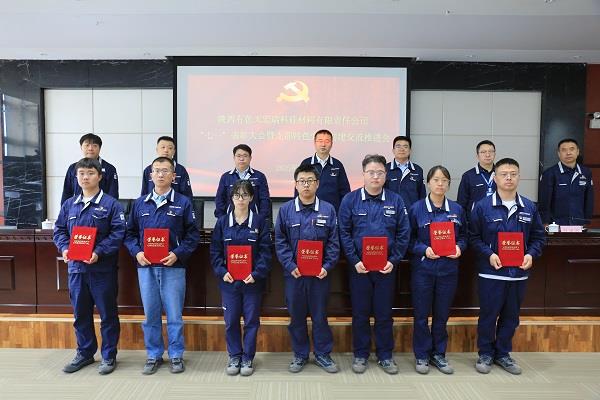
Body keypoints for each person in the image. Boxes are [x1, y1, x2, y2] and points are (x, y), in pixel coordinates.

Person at [469, 158, 545, 375]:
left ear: (519, 177)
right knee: (488, 315)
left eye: (513, 174)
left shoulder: (529, 206)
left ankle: (503, 353)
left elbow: (539, 237)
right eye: (504, 174)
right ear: (495, 178)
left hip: (518, 274)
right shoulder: (482, 206)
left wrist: (531, 254)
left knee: (511, 317)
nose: (509, 178)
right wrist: (489, 254)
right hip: (491, 273)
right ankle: (485, 353)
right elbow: (473, 237)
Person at [124, 157, 200, 375]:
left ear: (173, 176)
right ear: (150, 175)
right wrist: (137, 252)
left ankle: (176, 355)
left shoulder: (183, 203)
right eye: (156, 170)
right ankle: (154, 354)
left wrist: (177, 254)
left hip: (173, 267)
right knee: (151, 315)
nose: (160, 174)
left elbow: (193, 235)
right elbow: (129, 234)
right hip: (146, 267)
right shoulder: (139, 203)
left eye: (165, 170)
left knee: (174, 315)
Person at [338, 154, 410, 375]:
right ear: (363, 174)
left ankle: (385, 355)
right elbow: (344, 232)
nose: (375, 176)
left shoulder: (396, 200)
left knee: (384, 314)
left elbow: (404, 233)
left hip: (386, 269)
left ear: (385, 175)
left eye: (380, 172)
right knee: (360, 313)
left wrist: (393, 260)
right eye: (371, 172)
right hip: (359, 269)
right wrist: (354, 260)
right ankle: (360, 354)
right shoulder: (350, 200)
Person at [53, 157, 126, 375]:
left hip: (102, 270)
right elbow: (59, 231)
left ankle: (109, 355)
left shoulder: (111, 204)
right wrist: (64, 248)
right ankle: (85, 353)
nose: (85, 177)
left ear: (100, 177)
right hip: (77, 270)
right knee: (81, 314)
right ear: (76, 177)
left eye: (90, 173)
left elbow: (118, 233)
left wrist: (98, 252)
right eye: (82, 173)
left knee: (108, 315)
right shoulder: (69, 204)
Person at [275, 165, 340, 374]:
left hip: (320, 275)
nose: (306, 185)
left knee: (320, 316)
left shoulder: (328, 210)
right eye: (302, 181)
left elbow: (334, 242)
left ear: (317, 184)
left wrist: (327, 266)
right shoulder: (286, 210)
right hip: (294, 275)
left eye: (310, 181)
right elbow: (280, 242)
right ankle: (300, 354)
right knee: (297, 316)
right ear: (295, 184)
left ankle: (322, 354)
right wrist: (290, 265)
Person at [408, 166, 467, 375]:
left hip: (448, 271)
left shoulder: (457, 209)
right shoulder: (416, 209)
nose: (440, 183)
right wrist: (424, 249)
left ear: (449, 184)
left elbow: (464, 236)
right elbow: (408, 240)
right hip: (423, 270)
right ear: (428, 183)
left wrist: (459, 247)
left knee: (442, 315)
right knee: (421, 315)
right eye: (436, 179)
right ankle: (422, 355)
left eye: (444, 180)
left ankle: (439, 354)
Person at [210, 180, 272, 377]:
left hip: (252, 283)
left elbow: (266, 253)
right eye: (237, 195)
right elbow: (215, 252)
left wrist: (256, 274)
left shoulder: (259, 222)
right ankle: (234, 356)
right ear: (232, 198)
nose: (241, 199)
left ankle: (247, 358)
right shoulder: (222, 222)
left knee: (251, 321)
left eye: (245, 195)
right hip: (229, 283)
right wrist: (222, 272)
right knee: (231, 321)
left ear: (251, 197)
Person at [538, 138, 594, 226]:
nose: (568, 153)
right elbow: (544, 201)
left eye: (572, 149)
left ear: (577, 152)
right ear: (559, 154)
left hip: (578, 223)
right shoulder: (549, 173)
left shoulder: (586, 172)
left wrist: (586, 220)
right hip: (556, 224)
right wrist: (545, 222)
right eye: (564, 150)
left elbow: (589, 198)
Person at [215, 144, 271, 224]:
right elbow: (219, 199)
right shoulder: (226, 177)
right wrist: (222, 219)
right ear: (234, 158)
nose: (241, 159)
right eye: (238, 156)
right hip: (230, 221)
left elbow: (264, 200)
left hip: (254, 220)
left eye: (245, 156)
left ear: (250, 158)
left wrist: (260, 219)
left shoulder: (259, 176)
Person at [296, 129, 351, 210]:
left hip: (332, 212)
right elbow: (298, 188)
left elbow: (345, 192)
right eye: (320, 141)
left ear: (331, 144)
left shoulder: (337, 165)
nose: (323, 144)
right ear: (314, 143)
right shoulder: (306, 163)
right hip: (309, 212)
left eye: (327, 141)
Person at [61, 133, 119, 204]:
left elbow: (113, 194)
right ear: (81, 147)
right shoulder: (73, 168)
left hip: (102, 208)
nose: (90, 149)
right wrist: (65, 209)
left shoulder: (109, 169)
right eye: (87, 145)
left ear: (99, 148)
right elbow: (66, 193)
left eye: (94, 145)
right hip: (78, 207)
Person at [384, 136, 426, 209]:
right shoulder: (385, 169)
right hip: (390, 212)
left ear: (410, 151)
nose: (402, 149)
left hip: (412, 213)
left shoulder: (417, 170)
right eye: (398, 146)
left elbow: (422, 195)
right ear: (393, 150)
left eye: (405, 147)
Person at [457, 140, 497, 214]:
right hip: (475, 218)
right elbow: (461, 203)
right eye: (483, 152)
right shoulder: (468, 176)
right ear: (477, 155)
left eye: (491, 151)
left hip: (498, 218)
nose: (487, 155)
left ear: (495, 154)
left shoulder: (501, 174)